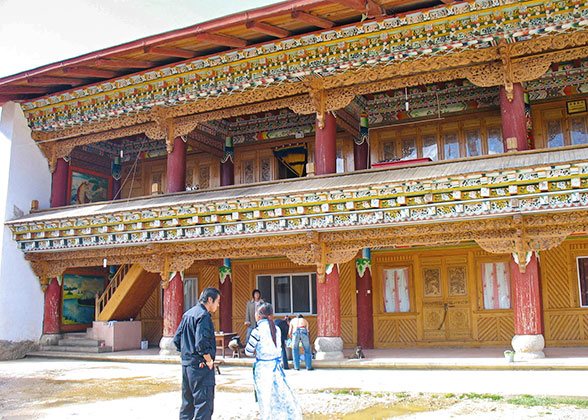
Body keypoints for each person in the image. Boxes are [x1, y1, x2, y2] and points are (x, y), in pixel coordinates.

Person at [245, 303, 302, 420]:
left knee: (265, 399)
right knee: (279, 396)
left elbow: (248, 351)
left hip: (263, 369)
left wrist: (257, 352)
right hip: (276, 368)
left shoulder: (257, 331)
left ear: (259, 316)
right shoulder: (276, 329)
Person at [173, 287, 221, 420]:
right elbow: (201, 344)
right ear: (210, 300)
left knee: (187, 404)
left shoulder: (188, 314)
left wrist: (187, 354)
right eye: (217, 302)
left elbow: (176, 340)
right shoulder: (203, 316)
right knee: (203, 404)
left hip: (187, 366)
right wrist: (209, 360)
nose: (218, 305)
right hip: (200, 367)